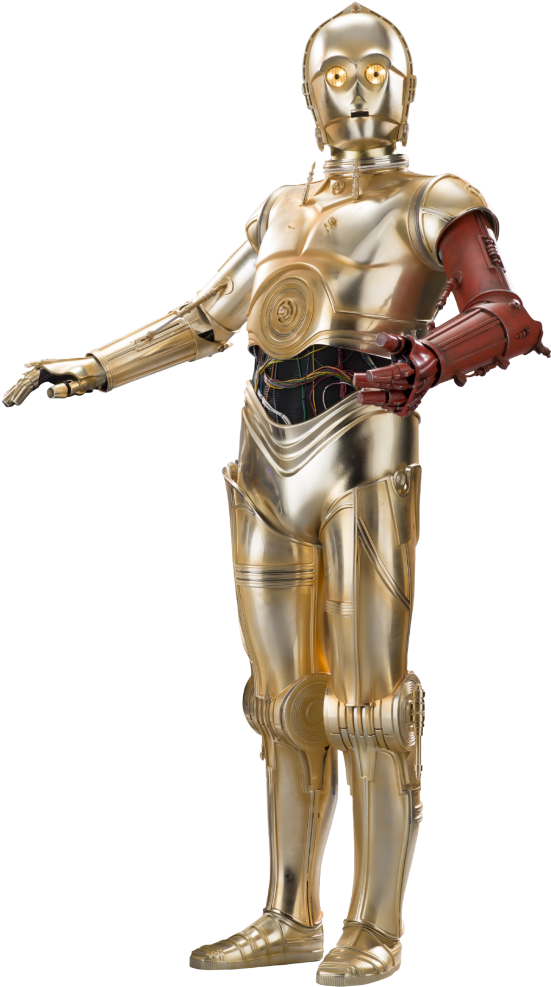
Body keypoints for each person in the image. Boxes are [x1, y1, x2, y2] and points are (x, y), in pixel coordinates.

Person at [3, 5, 547, 984]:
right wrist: (95, 366)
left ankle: (374, 926)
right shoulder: (280, 209)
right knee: (282, 702)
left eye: (374, 72)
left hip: (364, 446)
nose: (357, 92)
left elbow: (504, 314)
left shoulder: (436, 199)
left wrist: (428, 358)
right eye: (335, 77)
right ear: (307, 94)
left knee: (369, 707)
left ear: (406, 86)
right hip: (263, 449)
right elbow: (208, 317)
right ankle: (290, 913)